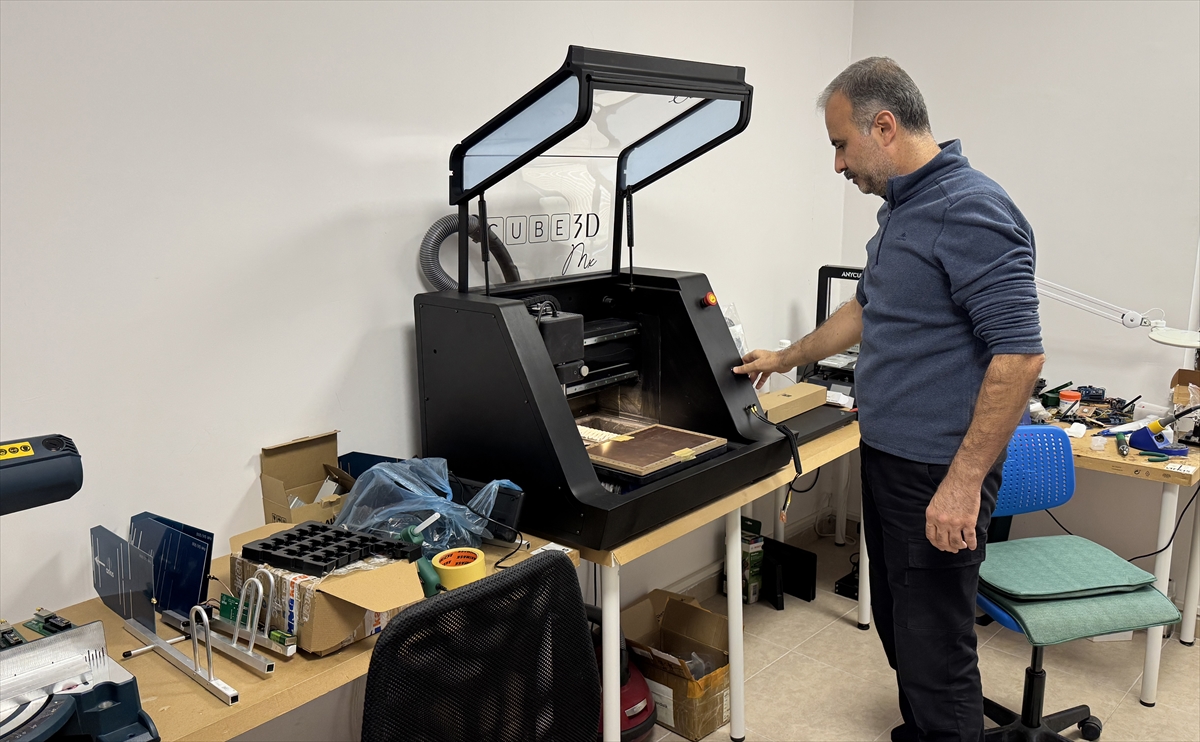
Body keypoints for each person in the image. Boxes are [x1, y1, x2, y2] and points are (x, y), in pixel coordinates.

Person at [734, 58, 1045, 742]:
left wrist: (962, 483)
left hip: (938, 470)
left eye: (841, 145)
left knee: (936, 649)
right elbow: (867, 309)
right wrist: (786, 357)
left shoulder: (969, 209)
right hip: (890, 457)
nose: (838, 164)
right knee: (903, 627)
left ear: (884, 126)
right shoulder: (903, 211)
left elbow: (1020, 355)